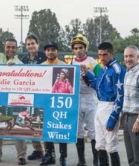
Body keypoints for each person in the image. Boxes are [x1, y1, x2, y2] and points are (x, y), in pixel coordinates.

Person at [0, 17, 27, 165]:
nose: (10, 49)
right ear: (4, 48)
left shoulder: (20, 63)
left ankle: (21, 156)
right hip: (0, 97)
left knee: (18, 128)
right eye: (8, 47)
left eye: (13, 47)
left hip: (15, 99)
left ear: (16, 49)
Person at [84, 42, 125, 166]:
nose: (102, 58)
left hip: (110, 106)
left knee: (111, 144)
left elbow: (120, 95)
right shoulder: (104, 69)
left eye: (105, 55)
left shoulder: (117, 70)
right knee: (100, 143)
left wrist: (114, 116)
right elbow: (97, 86)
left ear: (112, 54)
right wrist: (86, 73)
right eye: (100, 55)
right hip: (100, 105)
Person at [70, 34, 101, 166]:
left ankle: (96, 159)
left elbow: (100, 80)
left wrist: (89, 74)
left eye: (81, 47)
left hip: (90, 99)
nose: (78, 50)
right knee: (78, 132)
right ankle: (81, 160)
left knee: (93, 131)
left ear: (86, 48)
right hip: (77, 99)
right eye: (76, 48)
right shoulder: (71, 62)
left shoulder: (93, 62)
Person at [40, 41, 68, 166]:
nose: (50, 52)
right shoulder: (41, 66)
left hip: (61, 103)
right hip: (47, 103)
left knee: (61, 131)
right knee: (46, 130)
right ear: (45, 52)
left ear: (57, 51)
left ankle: (63, 157)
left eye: (53, 49)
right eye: (48, 50)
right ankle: (49, 155)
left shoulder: (64, 66)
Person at [21, 34, 46, 161]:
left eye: (33, 43)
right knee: (30, 122)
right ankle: (38, 150)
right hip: (29, 94)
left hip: (43, 94)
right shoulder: (23, 59)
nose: (31, 46)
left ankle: (48, 151)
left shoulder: (45, 56)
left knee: (44, 122)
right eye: (28, 44)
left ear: (38, 44)